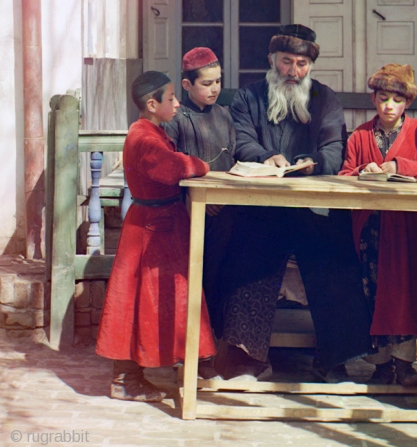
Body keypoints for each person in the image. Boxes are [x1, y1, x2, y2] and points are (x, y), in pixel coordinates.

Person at [217, 24, 373, 381]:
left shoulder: (326, 99)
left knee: (335, 261)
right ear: (272, 61)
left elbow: (336, 148)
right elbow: (242, 142)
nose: (293, 71)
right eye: (286, 62)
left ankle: (335, 358)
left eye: (301, 64)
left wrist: (313, 162)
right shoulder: (249, 97)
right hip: (260, 207)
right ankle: (246, 357)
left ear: (310, 67)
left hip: (312, 206)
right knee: (247, 259)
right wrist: (266, 156)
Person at [96, 71, 216, 401]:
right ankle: (126, 380)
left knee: (165, 297)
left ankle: (185, 362)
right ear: (152, 104)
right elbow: (175, 168)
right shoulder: (143, 137)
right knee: (139, 300)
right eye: (171, 98)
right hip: (151, 230)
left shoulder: (149, 130)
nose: (177, 103)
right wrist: (200, 164)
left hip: (161, 224)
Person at [339, 64, 417, 386]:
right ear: (373, 99)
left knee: (404, 291)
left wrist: (399, 165)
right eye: (383, 98)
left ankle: (405, 362)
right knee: (372, 290)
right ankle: (379, 363)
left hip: (403, 226)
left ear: (407, 103)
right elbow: (344, 174)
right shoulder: (359, 135)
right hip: (368, 227)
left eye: (396, 100)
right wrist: (361, 172)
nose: (389, 107)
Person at [163, 47, 236, 343]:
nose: (215, 88)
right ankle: (191, 345)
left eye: (218, 81)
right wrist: (198, 200)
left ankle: (216, 342)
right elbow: (170, 166)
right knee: (196, 278)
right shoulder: (177, 119)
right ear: (186, 85)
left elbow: (234, 158)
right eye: (206, 84)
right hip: (191, 213)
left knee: (222, 276)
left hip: (227, 211)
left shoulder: (224, 116)